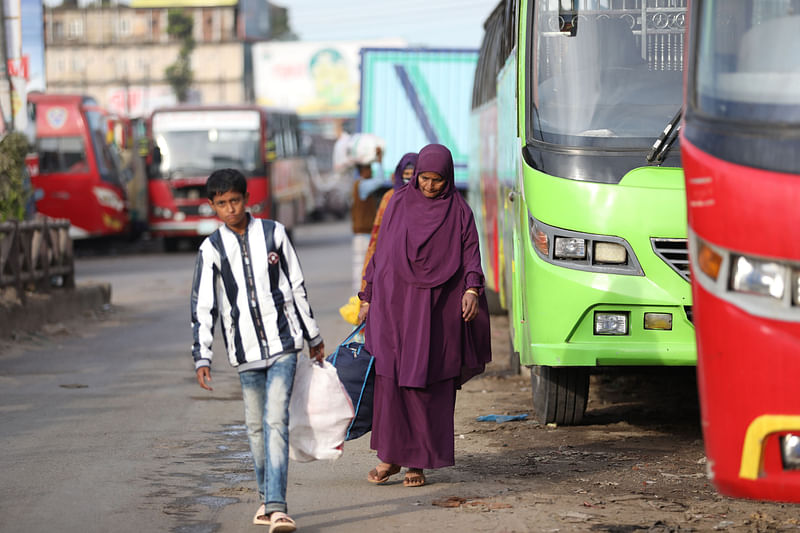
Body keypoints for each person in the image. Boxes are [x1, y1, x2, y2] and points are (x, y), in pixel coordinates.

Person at [191, 168, 325, 533]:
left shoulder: (274, 233)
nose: (230, 209)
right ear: (212, 206)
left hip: (285, 343)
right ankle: (266, 499)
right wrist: (202, 356)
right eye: (222, 204)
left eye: (235, 201)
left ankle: (278, 506)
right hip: (244, 351)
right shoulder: (212, 249)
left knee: (275, 422)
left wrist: (312, 337)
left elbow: (296, 286)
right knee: (254, 427)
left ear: (246, 199)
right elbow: (204, 306)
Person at [357, 144, 492, 488]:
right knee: (392, 380)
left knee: (428, 382)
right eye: (425, 179)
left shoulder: (459, 211)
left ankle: (418, 461)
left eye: (438, 180)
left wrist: (472, 289)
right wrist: (368, 296)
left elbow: (470, 255)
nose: (430, 186)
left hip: (438, 307)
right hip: (395, 304)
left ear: (448, 178)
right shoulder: (399, 202)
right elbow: (380, 253)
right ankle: (390, 457)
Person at [358, 152, 418, 294]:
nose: (409, 177)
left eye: (413, 173)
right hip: (393, 263)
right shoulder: (390, 198)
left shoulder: (426, 199)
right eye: (406, 173)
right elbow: (377, 234)